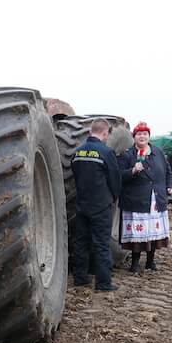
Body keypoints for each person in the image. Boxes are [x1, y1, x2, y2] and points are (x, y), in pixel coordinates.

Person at [117, 122, 172, 274]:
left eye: (145, 134)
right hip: (136, 200)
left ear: (149, 136)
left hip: (156, 198)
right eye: (139, 134)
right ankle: (135, 263)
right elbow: (118, 176)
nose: (142, 137)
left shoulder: (158, 152)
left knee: (153, 232)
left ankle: (150, 261)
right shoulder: (127, 154)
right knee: (139, 233)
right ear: (134, 137)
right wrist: (132, 171)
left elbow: (168, 171)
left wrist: (170, 185)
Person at [72, 118, 122, 292]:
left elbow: (76, 177)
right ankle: (103, 283)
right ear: (105, 133)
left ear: (89, 132)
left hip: (82, 204)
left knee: (81, 243)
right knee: (102, 244)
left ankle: (80, 278)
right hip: (101, 206)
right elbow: (115, 180)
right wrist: (113, 197)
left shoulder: (77, 152)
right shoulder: (106, 152)